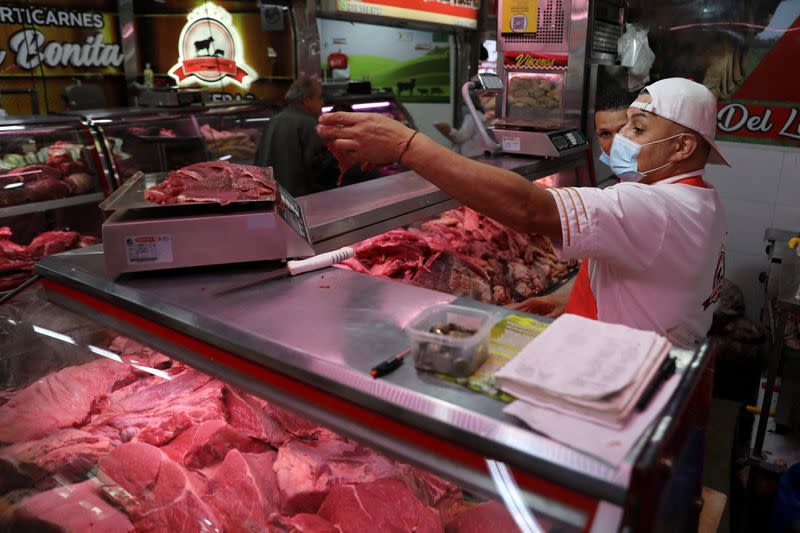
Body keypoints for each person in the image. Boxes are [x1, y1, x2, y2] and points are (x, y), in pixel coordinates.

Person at [318, 78, 729, 348]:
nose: (619, 140)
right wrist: (566, 299)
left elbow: (527, 207)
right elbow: (641, 278)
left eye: (637, 129)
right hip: (646, 366)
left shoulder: (654, 206)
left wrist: (407, 146)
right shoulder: (699, 200)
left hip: (627, 381)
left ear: (682, 148)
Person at [256, 77, 338, 197]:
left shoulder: (273, 121)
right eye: (319, 97)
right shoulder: (310, 124)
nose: (322, 103)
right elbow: (320, 172)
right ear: (306, 100)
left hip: (270, 198)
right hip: (299, 202)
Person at [434, 92, 489, 158]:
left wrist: (449, 130)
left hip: (471, 155)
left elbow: (461, 137)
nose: (463, 106)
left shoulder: (472, 117)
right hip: (477, 153)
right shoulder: (479, 116)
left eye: (464, 104)